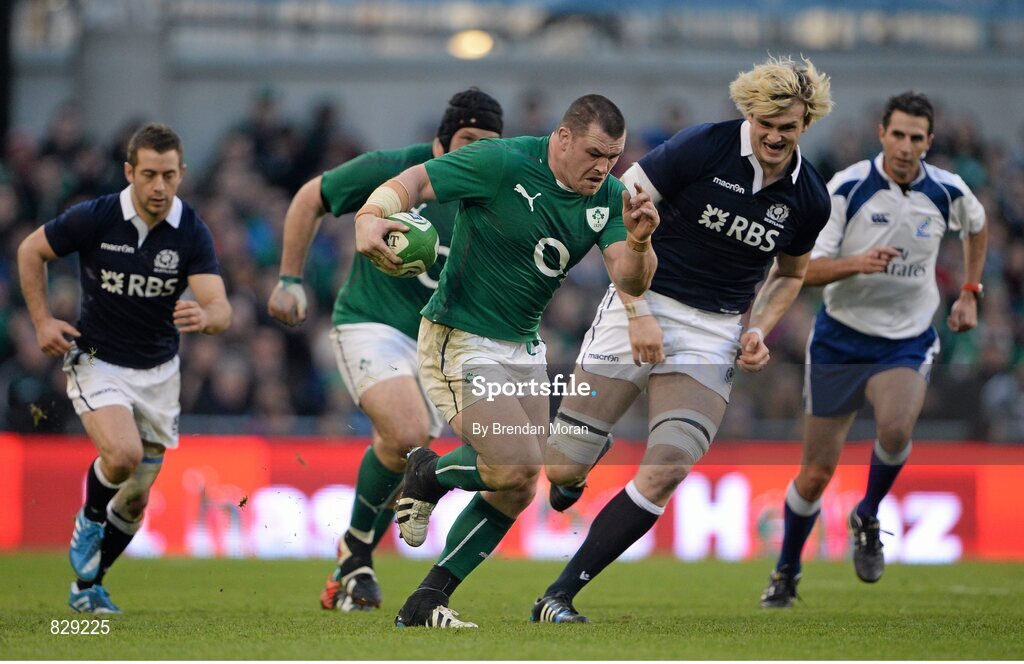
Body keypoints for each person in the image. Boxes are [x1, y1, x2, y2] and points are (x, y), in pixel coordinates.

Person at [530, 55, 835, 623]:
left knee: (668, 467)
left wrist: (758, 330)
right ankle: (571, 476)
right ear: (749, 113)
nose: (773, 135)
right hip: (641, 298)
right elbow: (618, 209)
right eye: (765, 121)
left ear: (805, 125)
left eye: (786, 127)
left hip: (714, 328)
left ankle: (559, 594)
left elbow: (790, 274)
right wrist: (638, 307)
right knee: (563, 468)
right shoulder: (701, 146)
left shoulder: (810, 197)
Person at [353, 94, 659, 628]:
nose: (603, 167)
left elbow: (629, 277)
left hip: (523, 347)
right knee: (517, 464)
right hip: (460, 339)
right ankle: (427, 473)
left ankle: (426, 601)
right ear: (563, 138)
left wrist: (639, 239)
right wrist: (371, 214)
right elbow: (417, 182)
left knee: (517, 486)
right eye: (593, 153)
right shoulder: (503, 161)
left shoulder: (610, 196)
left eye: (613, 157)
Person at [266, 88, 504, 612]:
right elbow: (311, 198)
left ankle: (352, 557)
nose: (473, 152)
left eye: (487, 144)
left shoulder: (496, 190)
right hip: (371, 323)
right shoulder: (396, 170)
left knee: (490, 453)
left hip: (444, 342)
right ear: (442, 138)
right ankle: (356, 558)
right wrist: (288, 279)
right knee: (407, 433)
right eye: (466, 140)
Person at [759, 91, 987, 608]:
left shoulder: (948, 190)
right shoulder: (848, 188)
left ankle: (867, 512)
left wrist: (971, 293)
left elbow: (978, 227)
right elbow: (802, 271)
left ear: (929, 142)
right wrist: (856, 263)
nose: (906, 147)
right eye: (898, 135)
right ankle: (786, 571)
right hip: (841, 338)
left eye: (916, 138)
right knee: (815, 474)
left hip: (905, 339)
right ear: (881, 134)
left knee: (896, 426)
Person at [17, 123, 232, 613]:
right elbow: (32, 251)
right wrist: (40, 320)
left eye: (170, 176)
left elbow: (221, 307)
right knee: (122, 455)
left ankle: (88, 586)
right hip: (97, 360)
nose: (160, 187)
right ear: (130, 171)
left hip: (159, 373)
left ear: (182, 174)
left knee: (135, 499)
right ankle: (90, 518)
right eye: (150, 175)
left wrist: (207, 316)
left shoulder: (191, 230)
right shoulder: (96, 217)